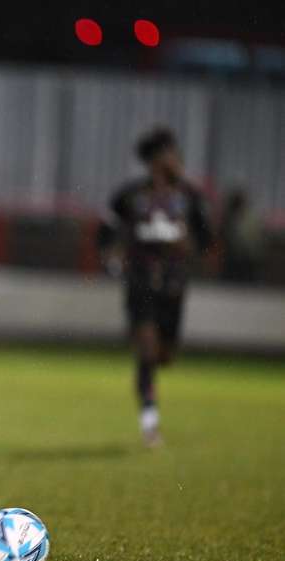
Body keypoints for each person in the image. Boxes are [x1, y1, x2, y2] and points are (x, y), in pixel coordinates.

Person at [98, 127, 212, 448]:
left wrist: (191, 251)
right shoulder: (130, 195)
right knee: (147, 348)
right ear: (155, 159)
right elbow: (106, 230)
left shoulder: (189, 196)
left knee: (165, 355)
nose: (176, 160)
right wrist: (110, 257)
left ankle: (149, 374)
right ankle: (150, 422)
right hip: (141, 283)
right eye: (170, 153)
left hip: (174, 286)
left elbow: (207, 237)